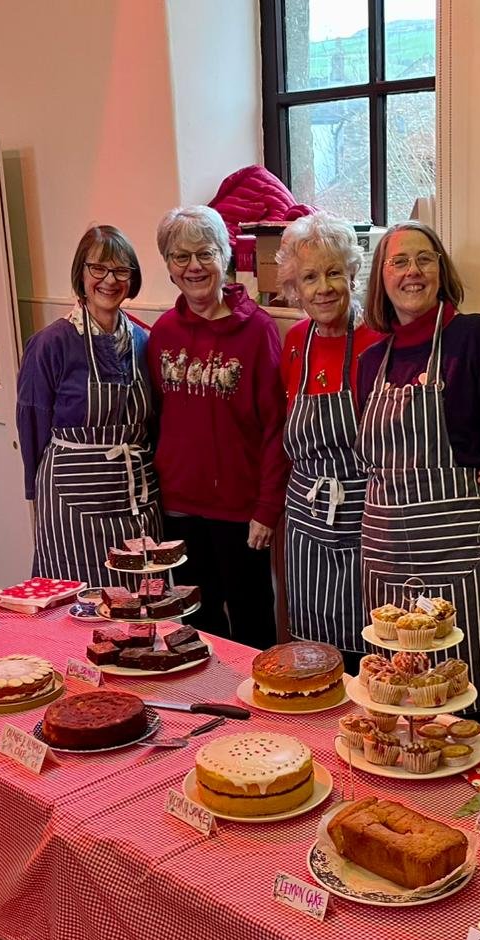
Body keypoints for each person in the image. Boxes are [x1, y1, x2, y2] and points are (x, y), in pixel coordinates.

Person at [355, 221, 480, 711]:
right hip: (386, 548)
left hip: (461, 546)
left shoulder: (474, 337)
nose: (412, 272)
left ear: (441, 270)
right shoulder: (372, 360)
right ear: (381, 278)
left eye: (425, 259)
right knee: (395, 689)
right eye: (399, 262)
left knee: (461, 685)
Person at [147, 205, 289, 648]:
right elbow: (155, 418)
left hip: (241, 512)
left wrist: (267, 508)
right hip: (178, 508)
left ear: (225, 257)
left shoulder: (258, 331)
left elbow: (276, 429)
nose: (194, 267)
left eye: (205, 254)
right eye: (180, 257)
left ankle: (262, 719)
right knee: (195, 624)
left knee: (251, 626)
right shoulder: (163, 333)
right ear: (169, 268)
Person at [16, 225, 159, 589]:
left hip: (135, 502)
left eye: (121, 270)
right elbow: (32, 423)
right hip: (71, 507)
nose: (109, 280)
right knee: (79, 610)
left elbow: (153, 425)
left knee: (142, 603)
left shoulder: (144, 342)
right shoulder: (50, 344)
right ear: (81, 273)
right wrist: (35, 496)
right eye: (99, 268)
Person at [274, 214, 383, 663]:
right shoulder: (294, 341)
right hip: (305, 517)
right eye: (310, 277)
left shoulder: (380, 340)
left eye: (334, 272)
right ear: (294, 288)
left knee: (370, 645)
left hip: (364, 514)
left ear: (354, 274)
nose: (323, 288)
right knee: (310, 652)